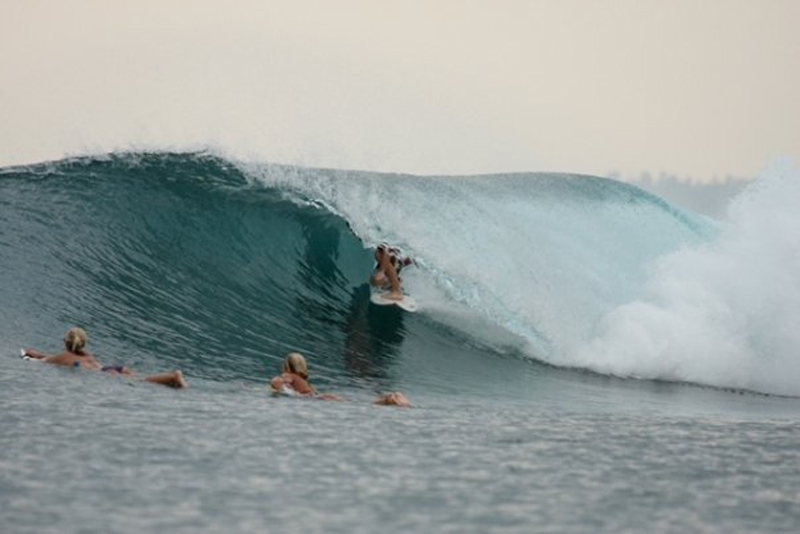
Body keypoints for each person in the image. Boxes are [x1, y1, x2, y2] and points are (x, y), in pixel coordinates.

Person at [24, 327, 188, 389]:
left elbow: (44, 360)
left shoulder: (64, 356)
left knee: (142, 381)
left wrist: (33, 354)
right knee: (141, 378)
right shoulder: (86, 354)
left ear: (65, 342)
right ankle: (172, 378)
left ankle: (172, 376)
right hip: (110, 367)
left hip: (106, 373)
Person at [269, 352, 340, 400]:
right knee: (333, 398)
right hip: (313, 395)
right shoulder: (299, 377)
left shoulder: (288, 374)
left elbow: (281, 381)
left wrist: (275, 382)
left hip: (308, 397)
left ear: (286, 364)